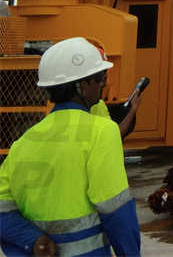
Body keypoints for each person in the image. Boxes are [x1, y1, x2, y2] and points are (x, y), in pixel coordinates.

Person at [0, 37, 142, 257]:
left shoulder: (24, 142)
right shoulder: (101, 132)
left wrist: (34, 240)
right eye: (100, 78)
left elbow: (2, 211)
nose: (103, 83)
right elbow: (117, 212)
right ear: (82, 85)